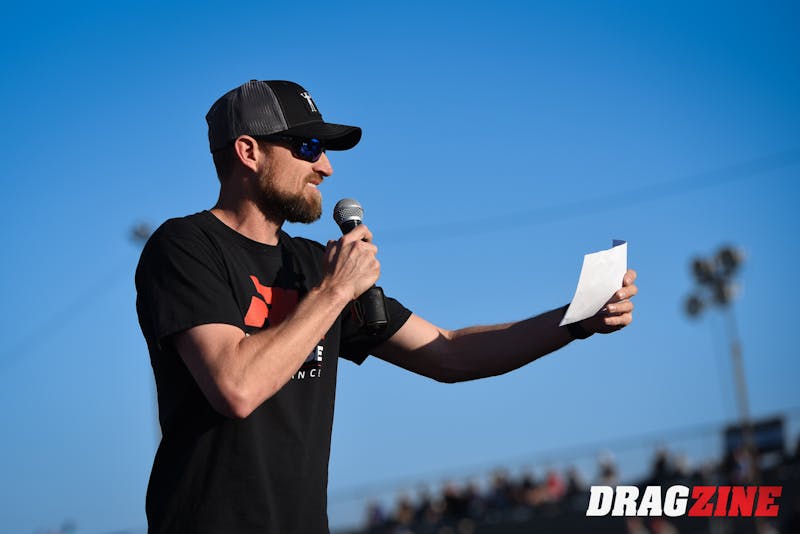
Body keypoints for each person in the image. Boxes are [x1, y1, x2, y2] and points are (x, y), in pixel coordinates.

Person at [135, 79, 639, 534]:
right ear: (249, 151)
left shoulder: (313, 264)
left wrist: (577, 319)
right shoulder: (185, 246)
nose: (325, 167)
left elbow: (450, 353)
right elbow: (235, 387)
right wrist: (335, 292)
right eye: (308, 147)